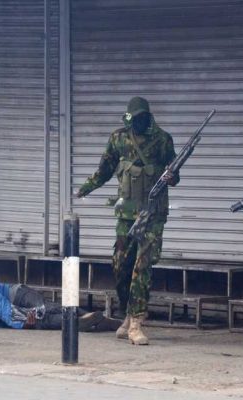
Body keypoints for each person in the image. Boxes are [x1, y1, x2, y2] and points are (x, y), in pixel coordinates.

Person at [74, 97, 178, 345]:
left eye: (142, 118)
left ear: (148, 117)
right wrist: (84, 189)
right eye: (134, 118)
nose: (138, 123)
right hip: (126, 215)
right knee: (120, 265)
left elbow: (175, 176)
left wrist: (171, 176)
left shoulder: (162, 140)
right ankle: (127, 314)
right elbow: (104, 170)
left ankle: (136, 323)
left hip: (152, 215)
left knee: (142, 267)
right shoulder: (118, 138)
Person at [0, 276, 120, 332]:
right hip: (8, 316)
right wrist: (25, 322)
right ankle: (81, 322)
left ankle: (90, 318)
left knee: (43, 309)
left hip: (15, 296)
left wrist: (21, 322)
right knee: (41, 321)